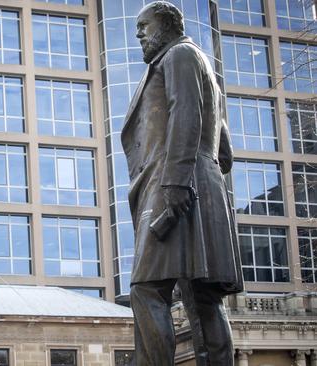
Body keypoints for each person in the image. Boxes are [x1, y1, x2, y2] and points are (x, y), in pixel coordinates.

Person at [120, 2, 244, 365]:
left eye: (144, 25)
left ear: (169, 24)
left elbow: (186, 115)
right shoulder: (201, 65)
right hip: (202, 187)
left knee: (146, 289)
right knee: (203, 298)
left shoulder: (178, 56)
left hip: (176, 186)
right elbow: (224, 154)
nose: (139, 33)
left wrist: (173, 186)